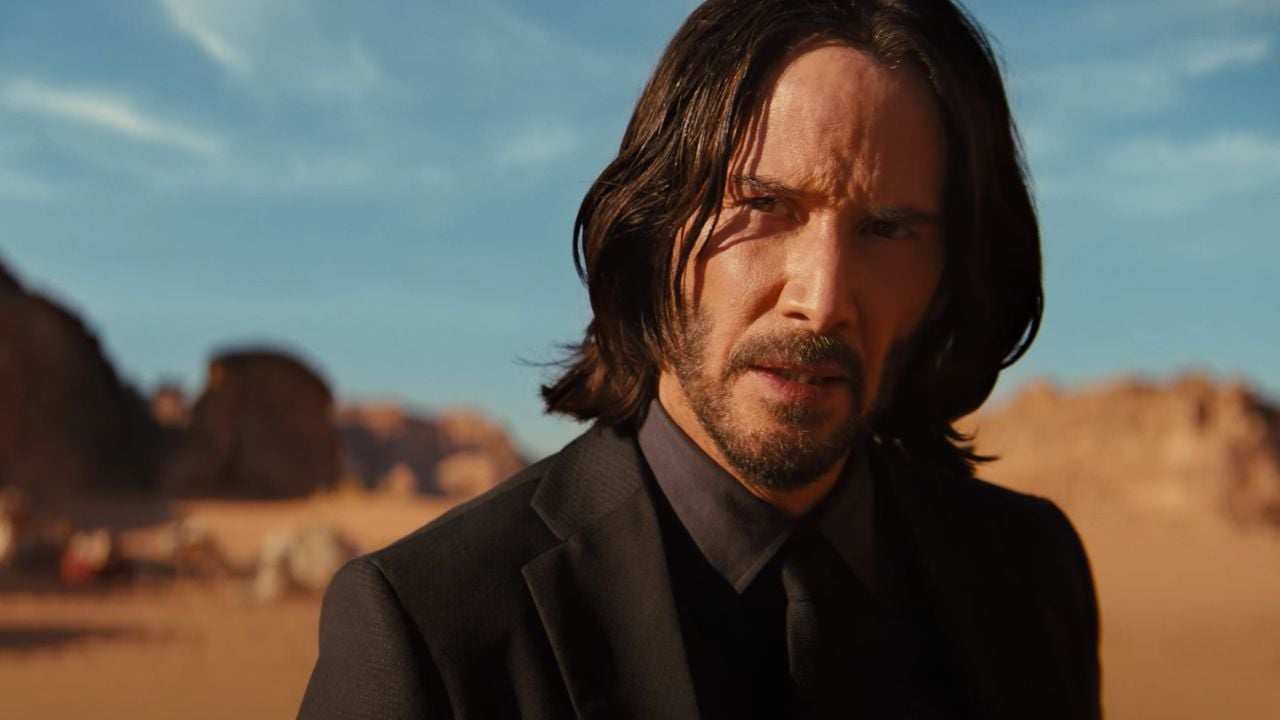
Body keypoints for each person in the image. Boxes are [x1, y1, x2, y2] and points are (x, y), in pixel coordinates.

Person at [298, 0, 1101, 717]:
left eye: (886, 230)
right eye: (765, 205)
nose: (822, 299)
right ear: (655, 226)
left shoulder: (1031, 573)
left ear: (947, 282)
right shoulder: (430, 629)